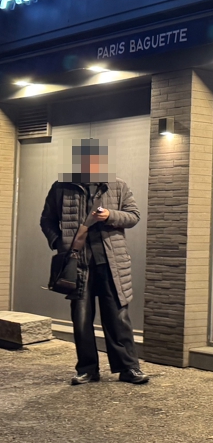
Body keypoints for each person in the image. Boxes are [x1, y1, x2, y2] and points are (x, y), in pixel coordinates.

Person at [40, 138, 147, 385]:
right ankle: (88, 369)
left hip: (111, 262)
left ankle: (128, 368)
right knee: (81, 317)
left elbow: (134, 216)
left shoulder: (117, 185)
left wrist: (110, 215)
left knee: (118, 317)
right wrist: (60, 243)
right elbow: (47, 220)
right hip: (77, 263)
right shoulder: (61, 187)